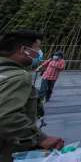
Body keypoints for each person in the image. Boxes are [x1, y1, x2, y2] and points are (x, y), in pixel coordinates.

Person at [0, 30, 64, 160]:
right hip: (8, 146)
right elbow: (7, 116)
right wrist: (40, 139)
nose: (39, 53)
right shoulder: (19, 77)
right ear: (24, 49)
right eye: (37, 48)